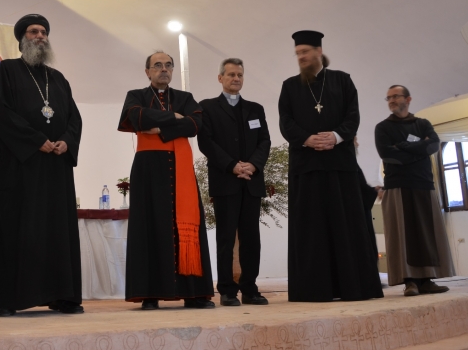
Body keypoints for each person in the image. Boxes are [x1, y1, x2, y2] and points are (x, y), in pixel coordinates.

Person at [0, 14, 83, 316]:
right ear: (22, 39)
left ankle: (63, 296)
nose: (40, 36)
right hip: (19, 166)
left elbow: (74, 117)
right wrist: (36, 139)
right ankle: (8, 299)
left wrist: (66, 141)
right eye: (33, 32)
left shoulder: (59, 79)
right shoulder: (7, 70)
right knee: (18, 229)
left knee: (57, 231)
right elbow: (1, 112)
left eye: (43, 32)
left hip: (55, 168)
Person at [278, 30, 382, 302]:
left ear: (318, 53)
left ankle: (353, 287)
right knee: (312, 230)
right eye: (297, 53)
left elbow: (353, 116)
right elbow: (285, 122)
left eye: (304, 52)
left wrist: (336, 136)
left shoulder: (342, 80)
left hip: (340, 166)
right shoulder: (289, 86)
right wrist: (307, 139)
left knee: (345, 226)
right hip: (307, 167)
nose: (300, 57)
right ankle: (314, 289)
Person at [118, 51, 215, 310]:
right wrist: (174, 118)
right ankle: (149, 293)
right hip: (148, 170)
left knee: (183, 225)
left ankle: (194, 293)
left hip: (179, 168)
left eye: (168, 66)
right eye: (158, 65)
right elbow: (135, 117)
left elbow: (196, 125)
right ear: (147, 71)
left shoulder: (184, 97)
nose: (164, 69)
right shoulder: (136, 95)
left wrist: (159, 127)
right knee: (148, 226)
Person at [198, 58, 270, 307]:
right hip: (225, 181)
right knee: (226, 238)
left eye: (239, 74)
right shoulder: (207, 107)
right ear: (220, 78)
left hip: (251, 181)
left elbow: (264, 141)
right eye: (230, 74)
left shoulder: (255, 109)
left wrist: (252, 165)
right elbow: (206, 143)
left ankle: (250, 288)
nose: (236, 78)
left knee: (251, 238)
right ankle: (227, 290)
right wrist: (233, 166)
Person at [375, 85, 454, 296]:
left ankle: (427, 280)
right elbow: (387, 154)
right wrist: (419, 148)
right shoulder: (382, 128)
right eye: (388, 97)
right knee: (402, 235)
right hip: (397, 185)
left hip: (423, 185)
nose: (391, 100)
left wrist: (402, 147)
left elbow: (433, 146)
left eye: (395, 96)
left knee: (425, 234)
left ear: (408, 99)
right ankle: (409, 281)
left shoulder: (423, 124)